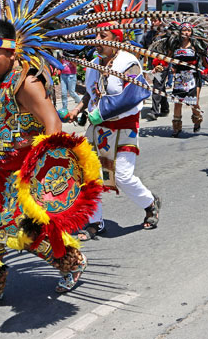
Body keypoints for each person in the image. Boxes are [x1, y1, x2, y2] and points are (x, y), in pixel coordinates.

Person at [0, 19, 96, 311]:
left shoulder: (26, 82)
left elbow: (53, 124)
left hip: (22, 180)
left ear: (12, 52)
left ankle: (71, 261)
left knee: (30, 234)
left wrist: (42, 176)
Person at [67, 23, 162, 239]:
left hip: (123, 127)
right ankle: (94, 222)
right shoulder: (92, 64)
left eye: (104, 35)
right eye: (96, 35)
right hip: (97, 129)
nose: (98, 40)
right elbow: (91, 94)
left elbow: (133, 95)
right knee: (89, 175)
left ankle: (150, 203)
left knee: (122, 176)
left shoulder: (128, 62)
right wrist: (78, 108)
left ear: (116, 39)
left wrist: (103, 112)